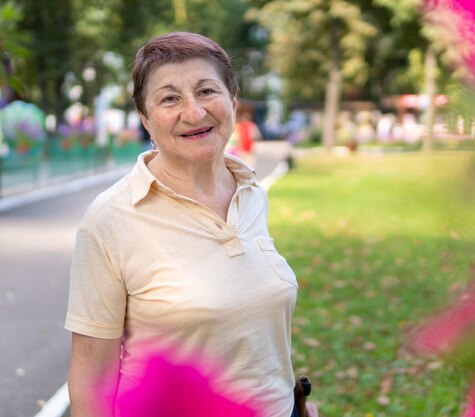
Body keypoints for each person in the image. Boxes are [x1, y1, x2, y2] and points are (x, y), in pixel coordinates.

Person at [65, 32, 317, 417]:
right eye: (170, 98)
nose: (195, 113)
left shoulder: (250, 192)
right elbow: (91, 381)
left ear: (232, 101)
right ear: (146, 120)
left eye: (206, 91)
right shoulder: (110, 220)